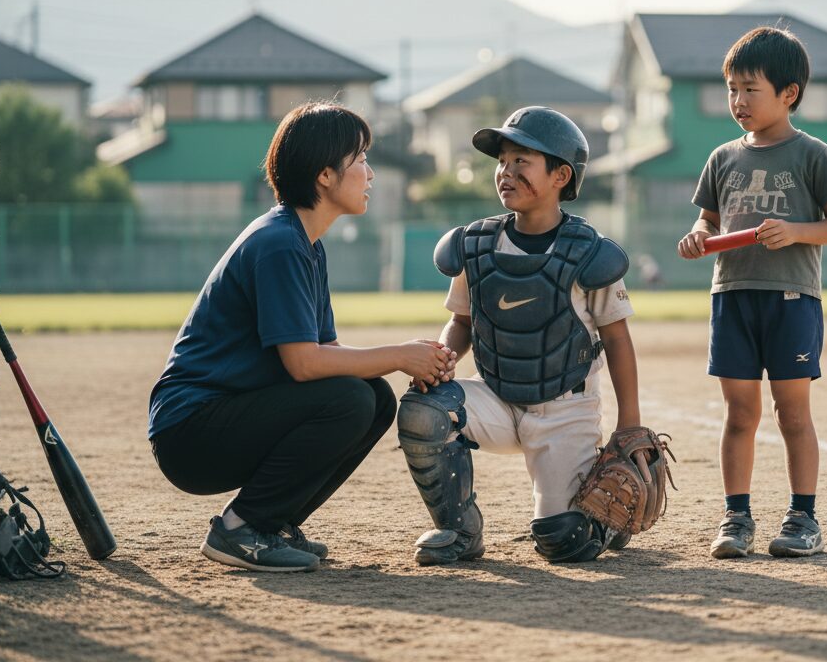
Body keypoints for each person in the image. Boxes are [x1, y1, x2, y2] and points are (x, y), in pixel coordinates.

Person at [149, 102, 456, 573]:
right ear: (324, 175)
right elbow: (304, 364)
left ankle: (270, 524)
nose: (370, 173)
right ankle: (241, 529)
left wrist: (413, 356)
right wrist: (398, 355)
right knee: (351, 400)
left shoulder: (303, 242)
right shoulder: (279, 243)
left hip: (222, 417)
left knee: (373, 397)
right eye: (360, 160)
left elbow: (326, 352)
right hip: (191, 432)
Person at [397, 106, 642, 566]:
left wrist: (629, 421)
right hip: (497, 396)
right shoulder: (476, 245)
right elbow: (462, 323)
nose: (505, 172)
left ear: (560, 175)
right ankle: (459, 530)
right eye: (502, 161)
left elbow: (617, 339)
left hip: (564, 408)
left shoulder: (589, 253)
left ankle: (604, 522)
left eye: (521, 161)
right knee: (423, 411)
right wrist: (441, 361)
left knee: (563, 540)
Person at [677, 26, 827, 559]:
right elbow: (708, 221)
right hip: (732, 295)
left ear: (788, 93)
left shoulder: (813, 153)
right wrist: (698, 237)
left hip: (791, 298)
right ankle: (736, 517)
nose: (738, 100)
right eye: (732, 89)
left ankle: (803, 518)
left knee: (792, 413)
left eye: (750, 89)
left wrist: (795, 231)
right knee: (739, 414)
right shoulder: (723, 157)